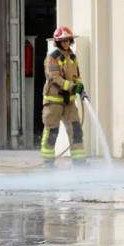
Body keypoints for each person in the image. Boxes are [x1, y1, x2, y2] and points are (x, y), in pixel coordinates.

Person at [40, 26, 86, 166]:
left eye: (68, 40)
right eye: (63, 41)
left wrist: (80, 86)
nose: (66, 43)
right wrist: (71, 86)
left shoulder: (72, 57)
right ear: (58, 42)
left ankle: (79, 162)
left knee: (76, 130)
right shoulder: (53, 58)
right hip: (54, 101)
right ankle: (48, 162)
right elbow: (55, 78)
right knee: (52, 131)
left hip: (69, 102)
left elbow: (76, 76)